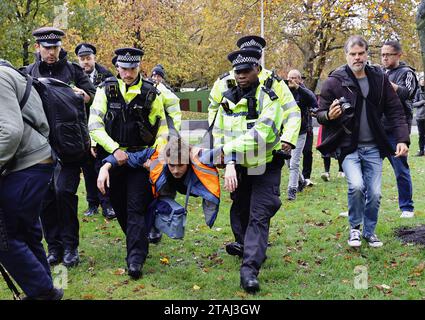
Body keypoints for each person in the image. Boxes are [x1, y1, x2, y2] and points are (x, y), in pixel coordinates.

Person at [213, 48, 300, 293]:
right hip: (241, 167)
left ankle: (249, 270)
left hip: (265, 165)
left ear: (257, 70)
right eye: (237, 71)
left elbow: (260, 136)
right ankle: (245, 244)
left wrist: (227, 153)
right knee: (240, 210)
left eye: (246, 71)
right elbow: (218, 130)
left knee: (259, 215)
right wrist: (227, 157)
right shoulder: (226, 98)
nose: (241, 75)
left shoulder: (270, 97)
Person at [316, 35, 409, 248]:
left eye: (361, 53)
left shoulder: (379, 78)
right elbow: (319, 112)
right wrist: (329, 116)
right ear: (346, 55)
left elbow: (395, 110)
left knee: (375, 193)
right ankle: (355, 229)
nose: (357, 58)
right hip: (349, 147)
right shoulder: (334, 81)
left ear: (367, 54)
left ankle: (370, 232)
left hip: (374, 146)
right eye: (353, 54)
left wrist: (402, 139)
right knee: (356, 186)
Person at [88, 47, 169, 279]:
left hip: (140, 160)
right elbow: (94, 125)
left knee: (135, 207)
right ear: (117, 68)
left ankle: (135, 258)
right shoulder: (106, 90)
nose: (128, 73)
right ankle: (138, 239)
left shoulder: (151, 93)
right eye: (124, 69)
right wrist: (114, 149)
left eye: (132, 68)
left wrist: (156, 156)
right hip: (113, 160)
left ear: (139, 67)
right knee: (120, 207)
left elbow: (162, 129)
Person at [25, 27, 96, 268]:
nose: (52, 52)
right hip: (40, 146)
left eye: (55, 47)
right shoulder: (29, 73)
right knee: (45, 197)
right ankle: (53, 247)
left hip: (70, 145)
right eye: (47, 48)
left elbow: (92, 94)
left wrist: (83, 95)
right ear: (38, 48)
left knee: (64, 194)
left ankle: (71, 247)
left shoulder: (73, 70)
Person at [0, 61, 63, 300]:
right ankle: (43, 288)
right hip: (32, 163)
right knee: (25, 233)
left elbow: (10, 131)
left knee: (5, 236)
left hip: (26, 164)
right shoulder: (7, 72)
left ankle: (44, 293)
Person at [97, 137, 220, 231]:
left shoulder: (200, 156)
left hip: (188, 185)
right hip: (165, 186)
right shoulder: (156, 155)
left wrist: (229, 164)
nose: (176, 170)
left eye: (180, 165)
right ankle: (153, 228)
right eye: (172, 165)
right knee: (146, 195)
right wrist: (105, 167)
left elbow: (228, 153)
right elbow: (128, 157)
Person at [75, 43, 116, 220]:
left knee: (103, 166)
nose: (85, 62)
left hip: (102, 129)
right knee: (87, 168)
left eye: (88, 58)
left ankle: (108, 204)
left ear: (94, 58)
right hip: (80, 129)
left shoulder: (106, 75)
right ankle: (92, 204)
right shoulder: (73, 76)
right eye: (82, 59)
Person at [381, 40, 417, 219]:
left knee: (400, 168)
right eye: (383, 55)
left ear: (398, 55)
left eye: (388, 54)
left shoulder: (407, 72)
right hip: (378, 128)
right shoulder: (381, 72)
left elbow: (407, 93)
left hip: (398, 128)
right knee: (367, 168)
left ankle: (407, 207)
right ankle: (360, 205)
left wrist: (385, 83)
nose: (385, 58)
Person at [147, 64, 182, 243]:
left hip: (162, 146)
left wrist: (173, 137)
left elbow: (175, 113)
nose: (155, 77)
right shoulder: (142, 86)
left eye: (158, 75)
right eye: (153, 74)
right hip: (143, 148)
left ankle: (157, 226)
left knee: (162, 188)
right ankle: (149, 225)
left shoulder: (163, 91)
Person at [285, 69, 318, 200]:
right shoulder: (284, 92)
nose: (291, 80)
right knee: (288, 163)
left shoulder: (304, 92)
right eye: (289, 78)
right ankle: (302, 181)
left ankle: (291, 190)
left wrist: (298, 87)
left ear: (300, 79)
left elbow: (313, 100)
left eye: (294, 78)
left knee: (294, 163)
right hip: (286, 133)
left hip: (300, 132)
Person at [413, 75, 425, 156]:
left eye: (424, 79)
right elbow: (413, 103)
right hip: (420, 117)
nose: (423, 81)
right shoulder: (417, 91)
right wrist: (423, 101)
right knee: (421, 135)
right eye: (421, 79)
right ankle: (421, 151)